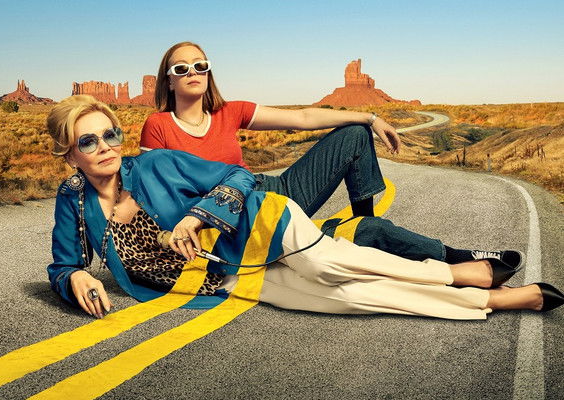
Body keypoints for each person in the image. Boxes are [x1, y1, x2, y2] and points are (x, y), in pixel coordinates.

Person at [46, 95, 562, 320]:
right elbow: (64, 264)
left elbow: (238, 176)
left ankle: (459, 273)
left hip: (260, 223)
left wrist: (196, 215)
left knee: (328, 266)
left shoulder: (155, 164)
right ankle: (492, 301)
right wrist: (77, 279)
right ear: (69, 154)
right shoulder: (73, 200)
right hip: (222, 276)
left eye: (110, 133)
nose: (105, 146)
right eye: (88, 141)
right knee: (343, 299)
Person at [139, 41, 520, 269]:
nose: (194, 71)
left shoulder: (230, 111)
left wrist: (371, 117)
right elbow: (150, 194)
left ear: (209, 72)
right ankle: (455, 255)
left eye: (201, 65)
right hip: (233, 215)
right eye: (182, 67)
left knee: (354, 133)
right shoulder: (158, 126)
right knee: (373, 232)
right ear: (168, 79)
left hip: (272, 190)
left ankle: (362, 221)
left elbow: (303, 119)